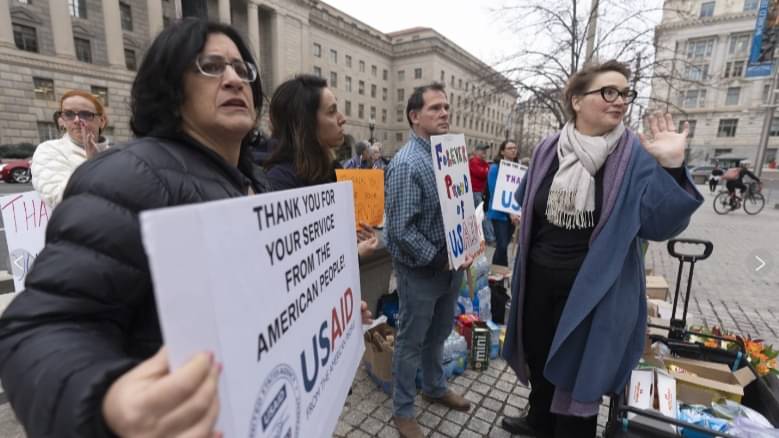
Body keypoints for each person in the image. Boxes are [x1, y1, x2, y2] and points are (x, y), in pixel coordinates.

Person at [0, 20, 370, 438]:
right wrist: (109, 402)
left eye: (242, 69)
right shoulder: (127, 176)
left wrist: (323, 309)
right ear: (170, 87)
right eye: (211, 67)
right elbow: (37, 329)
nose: (234, 79)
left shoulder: (252, 181)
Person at [500, 60, 702, 438]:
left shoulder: (635, 156)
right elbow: (526, 196)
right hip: (539, 282)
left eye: (625, 94)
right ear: (577, 100)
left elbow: (662, 225)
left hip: (594, 293)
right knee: (541, 355)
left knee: (581, 374)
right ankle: (539, 421)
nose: (620, 101)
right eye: (609, 92)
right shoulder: (548, 148)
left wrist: (672, 166)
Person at [384, 83, 473, 438]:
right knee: (410, 341)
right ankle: (403, 410)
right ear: (415, 117)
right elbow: (401, 230)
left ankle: (434, 388)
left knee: (438, 333)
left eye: (446, 107)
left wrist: (468, 241)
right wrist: (437, 258)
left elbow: (460, 203)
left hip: (450, 266)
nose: (444, 114)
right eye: (435, 108)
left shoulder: (447, 154)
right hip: (422, 272)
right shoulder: (408, 164)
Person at [264, 74, 378, 257]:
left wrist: (357, 235)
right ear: (306, 122)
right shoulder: (279, 182)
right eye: (332, 111)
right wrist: (352, 254)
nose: (342, 119)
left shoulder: (335, 171)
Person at [31, 90, 109, 208]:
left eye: (86, 114)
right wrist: (91, 165)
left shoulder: (117, 153)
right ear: (62, 120)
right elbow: (56, 198)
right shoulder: (48, 150)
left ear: (101, 121)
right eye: (69, 114)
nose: (77, 120)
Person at [486, 140, 520, 266]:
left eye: (515, 147)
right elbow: (495, 191)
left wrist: (518, 211)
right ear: (502, 151)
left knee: (504, 245)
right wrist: (510, 212)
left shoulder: (518, 168)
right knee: (502, 245)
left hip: (514, 214)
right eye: (510, 148)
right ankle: (497, 276)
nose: (513, 150)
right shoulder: (495, 168)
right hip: (499, 212)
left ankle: (499, 276)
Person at [469, 143, 495, 244]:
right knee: (481, 215)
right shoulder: (473, 161)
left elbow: (487, 171)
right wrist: (487, 170)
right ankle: (490, 238)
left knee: (480, 215)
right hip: (475, 192)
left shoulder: (484, 163)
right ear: (475, 151)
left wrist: (487, 170)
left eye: (485, 150)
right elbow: (482, 173)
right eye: (481, 149)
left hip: (480, 192)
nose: (484, 151)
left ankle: (485, 237)